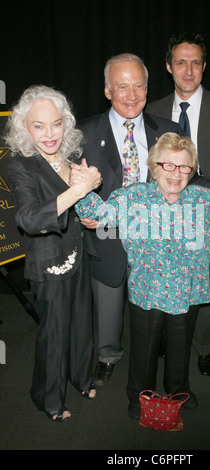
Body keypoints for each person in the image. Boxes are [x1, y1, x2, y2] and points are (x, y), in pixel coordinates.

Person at [74, 132, 210, 420]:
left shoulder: (207, 200)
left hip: (187, 293)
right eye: (168, 165)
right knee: (143, 352)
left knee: (180, 350)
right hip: (146, 293)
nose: (176, 174)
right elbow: (98, 214)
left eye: (184, 167)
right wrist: (78, 187)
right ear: (155, 166)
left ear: (192, 170)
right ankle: (139, 396)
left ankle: (179, 390)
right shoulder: (132, 197)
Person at [77, 53, 210, 386]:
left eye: (138, 85)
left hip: (159, 242)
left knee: (155, 313)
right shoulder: (84, 133)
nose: (131, 94)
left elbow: (193, 178)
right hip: (106, 235)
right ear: (107, 90)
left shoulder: (168, 129)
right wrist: (82, 212)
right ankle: (108, 355)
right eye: (122, 86)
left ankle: (156, 357)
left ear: (148, 88)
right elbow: (69, 183)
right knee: (108, 304)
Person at [147, 33, 210, 376]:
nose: (189, 70)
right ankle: (163, 342)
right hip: (164, 217)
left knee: (209, 291)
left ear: (204, 67)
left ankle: (204, 347)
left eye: (196, 62)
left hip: (209, 218)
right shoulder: (153, 111)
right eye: (181, 62)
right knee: (164, 283)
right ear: (169, 67)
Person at [4, 85, 101, 422]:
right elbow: (29, 218)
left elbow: (77, 206)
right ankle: (49, 400)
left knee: (82, 325)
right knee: (54, 334)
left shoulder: (70, 158)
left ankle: (82, 378)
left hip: (78, 254)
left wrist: (89, 211)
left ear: (66, 124)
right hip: (48, 264)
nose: (49, 134)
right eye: (38, 125)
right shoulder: (20, 167)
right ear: (24, 129)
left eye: (56, 123)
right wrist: (79, 189)